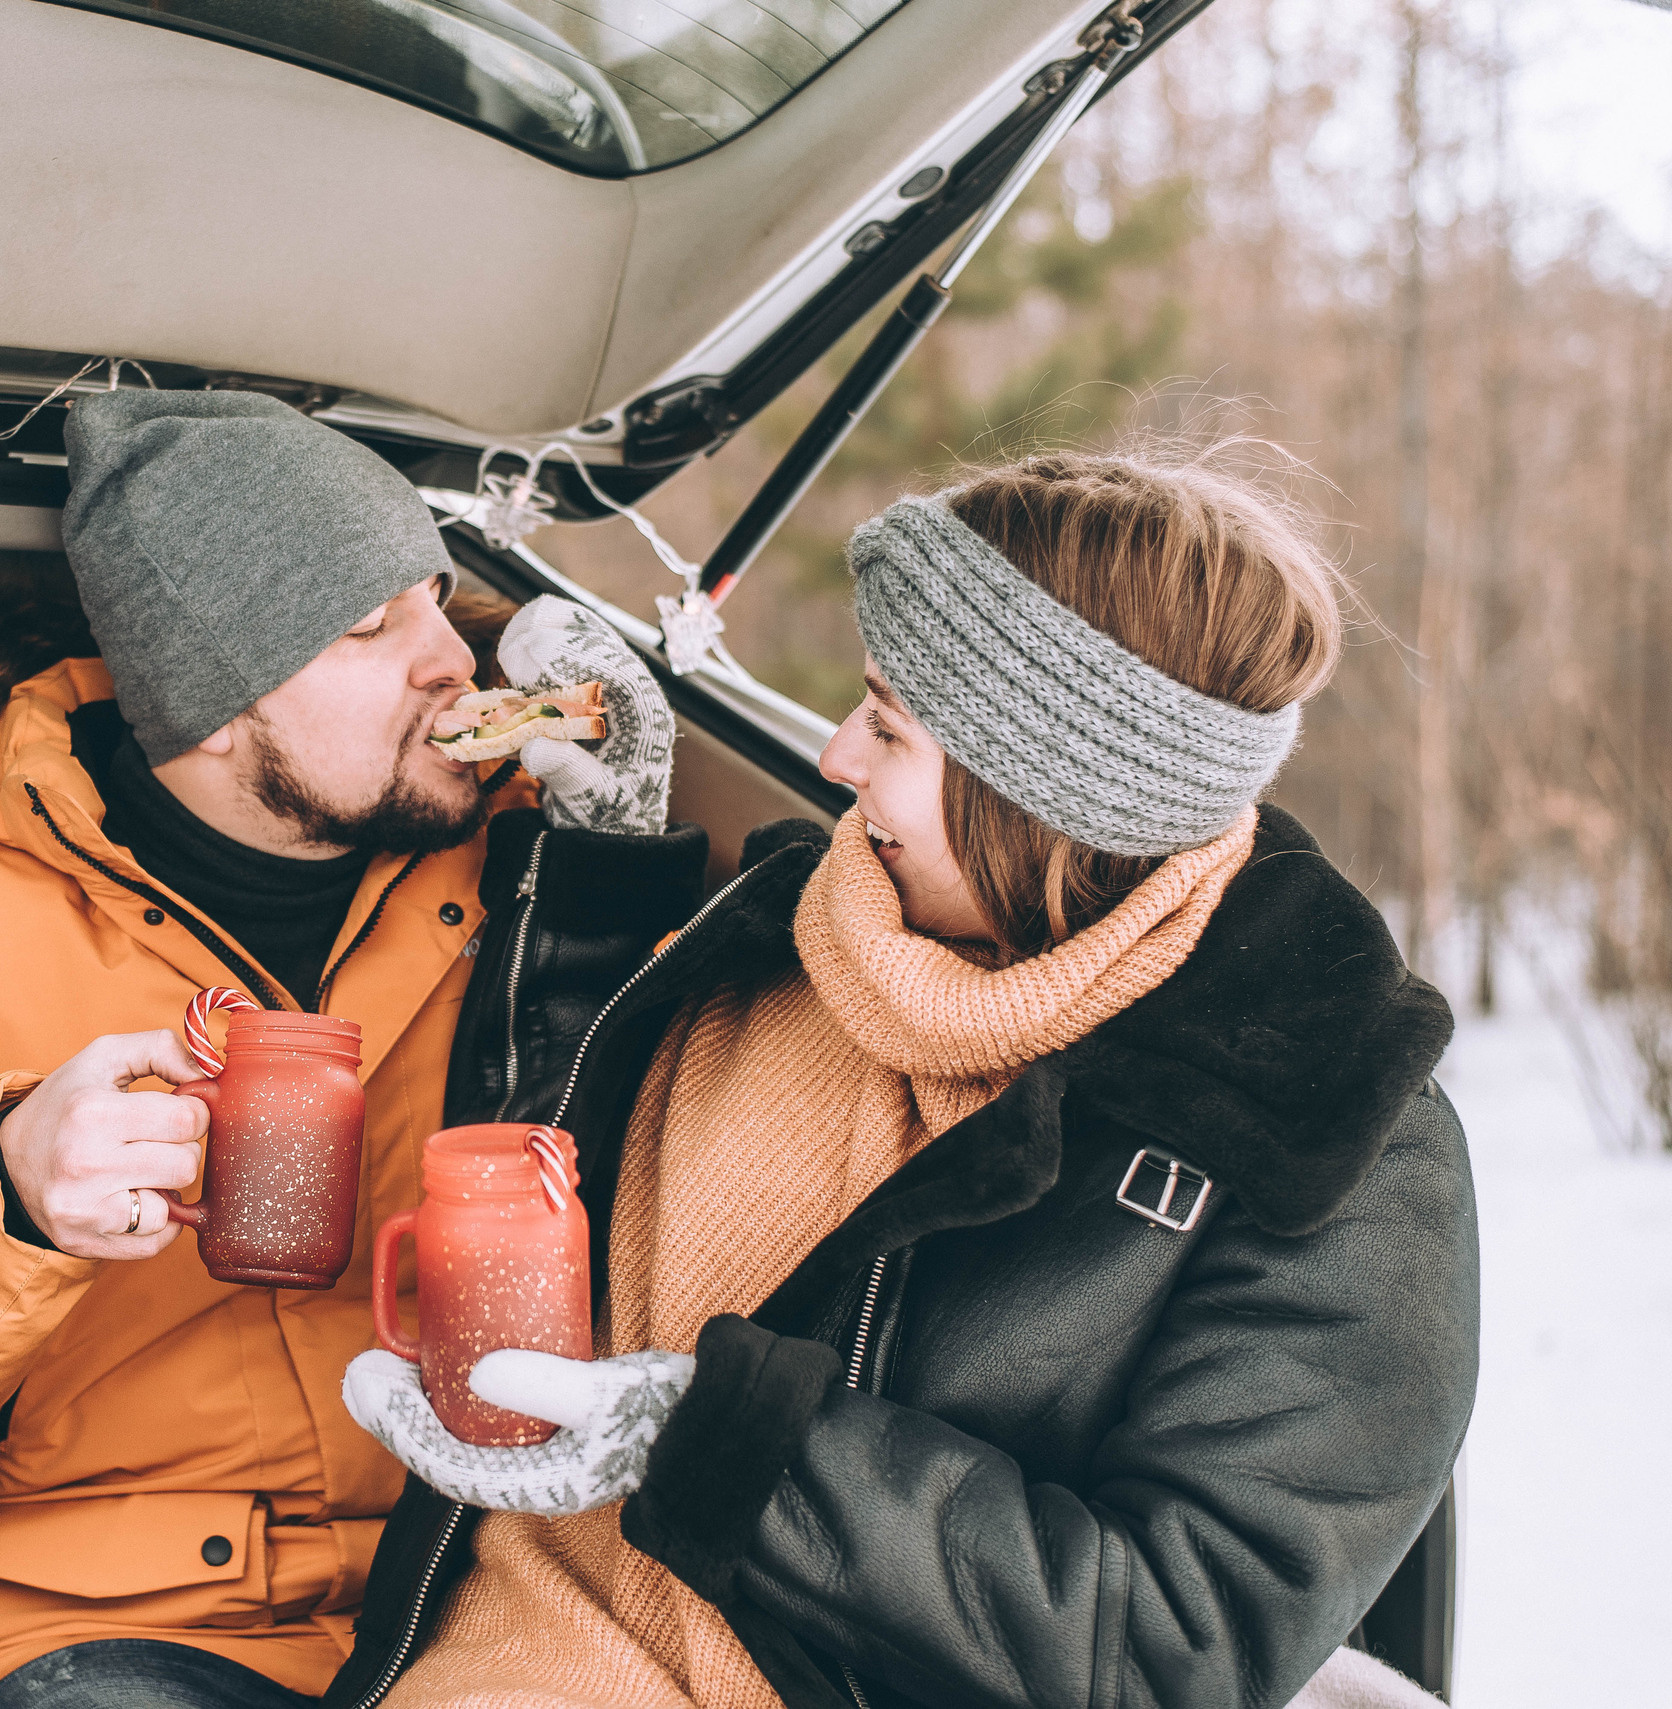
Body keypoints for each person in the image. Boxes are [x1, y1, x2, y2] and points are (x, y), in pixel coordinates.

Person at [339, 451, 1478, 1709]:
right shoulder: (782, 929)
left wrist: (728, 1446)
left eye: (886, 723)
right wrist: (597, 877)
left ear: (1038, 787)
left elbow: (1168, 1645)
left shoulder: (1325, 1143)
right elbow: (551, 1176)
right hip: (484, 1656)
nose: (833, 757)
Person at [0, 388, 696, 1709]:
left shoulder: (534, 857)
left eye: (439, 601)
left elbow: (677, 1194)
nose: (454, 660)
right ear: (213, 708)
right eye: (368, 624)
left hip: (503, 1579)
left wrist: (618, 891)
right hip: (112, 1612)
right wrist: (5, 1198)